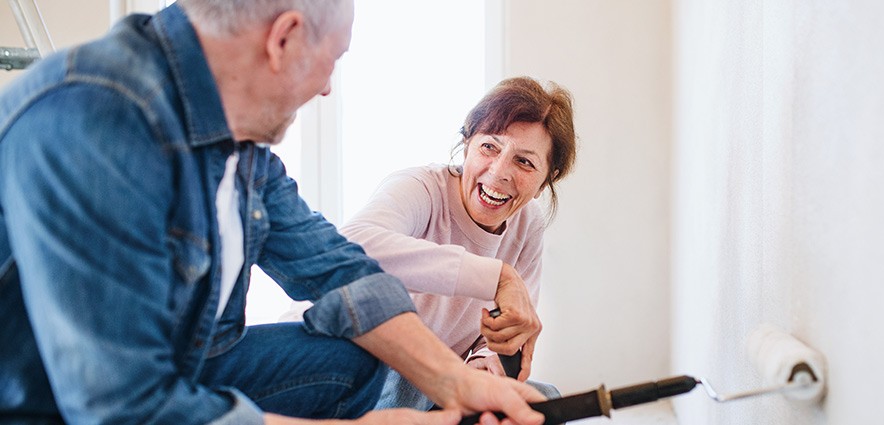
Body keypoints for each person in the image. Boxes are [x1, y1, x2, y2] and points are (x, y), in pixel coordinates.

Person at [0, 1, 546, 424]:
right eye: (332, 61)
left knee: (352, 357)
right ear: (283, 38)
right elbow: (121, 405)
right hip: (62, 402)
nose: (328, 87)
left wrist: (455, 381)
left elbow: (339, 272)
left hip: (183, 367)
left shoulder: (241, 148)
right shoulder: (99, 122)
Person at [287, 77, 577, 411]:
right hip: (338, 361)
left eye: (524, 162)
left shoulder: (528, 223)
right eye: (489, 147)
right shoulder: (421, 188)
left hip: (432, 380)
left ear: (546, 180)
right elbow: (353, 244)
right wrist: (495, 276)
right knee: (413, 383)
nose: (499, 173)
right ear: (467, 145)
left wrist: (485, 362)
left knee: (546, 401)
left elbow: (504, 327)